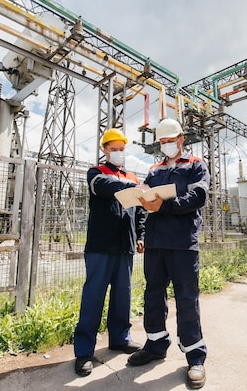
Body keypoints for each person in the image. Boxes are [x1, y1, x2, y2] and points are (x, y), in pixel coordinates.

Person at [127, 118, 210, 389]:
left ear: (181, 139)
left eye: (169, 140)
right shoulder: (154, 170)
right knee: (153, 295)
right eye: (161, 142)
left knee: (186, 298)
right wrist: (142, 231)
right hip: (155, 242)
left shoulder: (196, 165)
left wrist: (163, 206)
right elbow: (145, 204)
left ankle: (195, 356)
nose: (165, 146)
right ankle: (155, 343)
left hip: (183, 243)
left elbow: (198, 197)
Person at [73, 128, 146, 377]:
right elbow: (105, 187)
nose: (118, 152)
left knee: (122, 297)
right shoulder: (97, 173)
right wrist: (134, 185)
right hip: (100, 246)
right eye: (113, 149)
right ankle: (84, 351)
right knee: (93, 297)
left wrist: (141, 235)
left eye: (121, 149)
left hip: (124, 246)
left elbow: (140, 211)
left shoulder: (131, 175)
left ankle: (120, 338)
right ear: (105, 150)